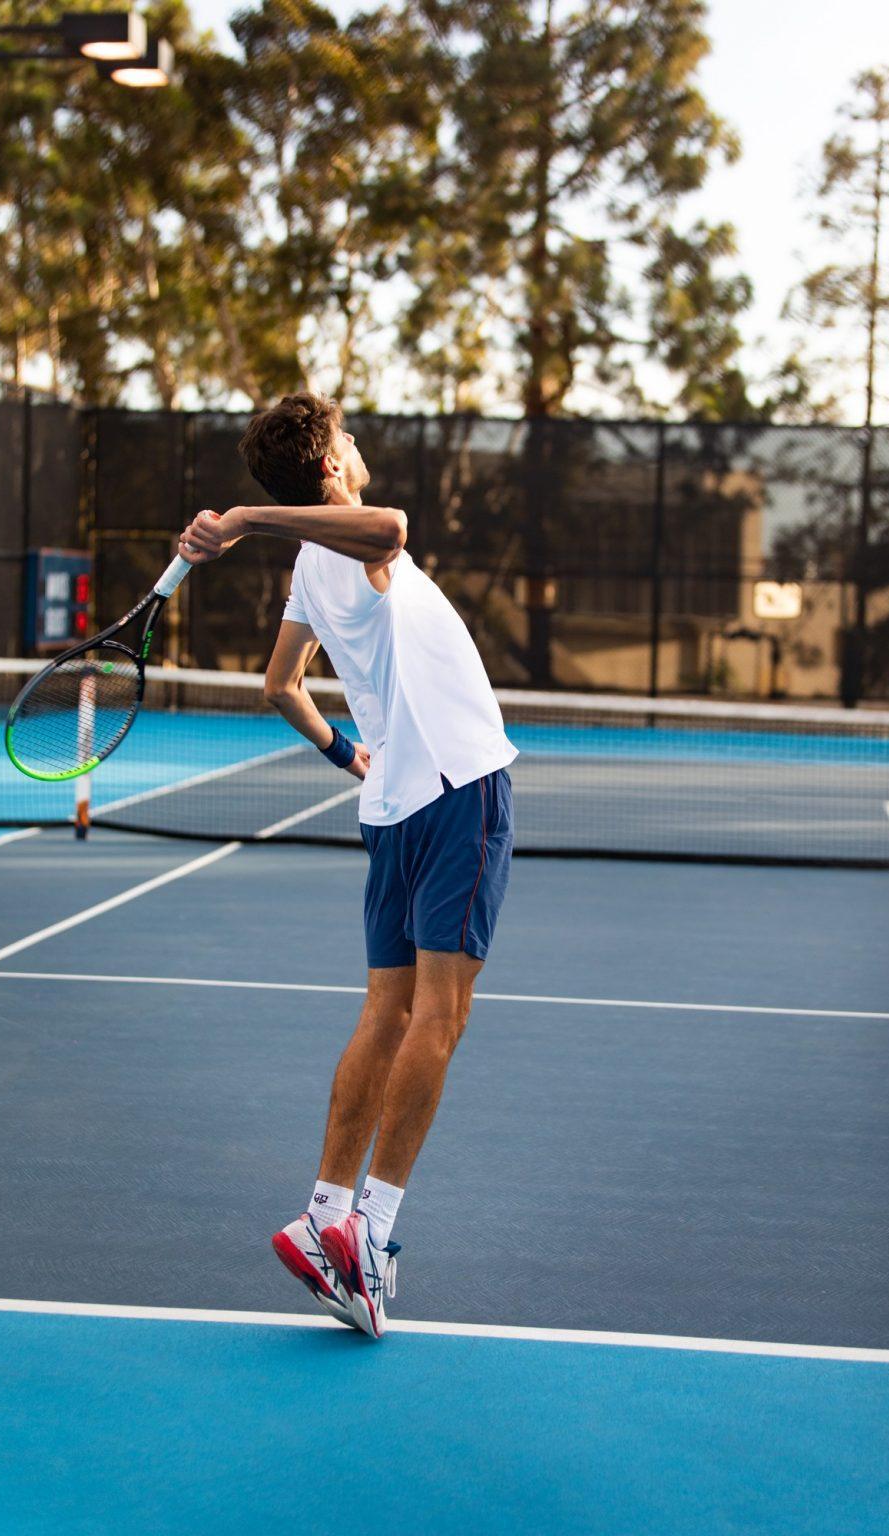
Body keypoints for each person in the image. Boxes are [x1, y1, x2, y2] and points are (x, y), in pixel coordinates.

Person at [178, 392, 516, 1338]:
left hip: (393, 802)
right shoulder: (353, 541)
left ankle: (325, 1209)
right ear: (330, 465)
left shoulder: (307, 567)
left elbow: (279, 685)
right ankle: (371, 1228)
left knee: (387, 1010)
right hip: (459, 786)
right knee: (440, 1018)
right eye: (349, 439)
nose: (362, 447)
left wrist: (346, 755)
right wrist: (243, 517)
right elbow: (393, 524)